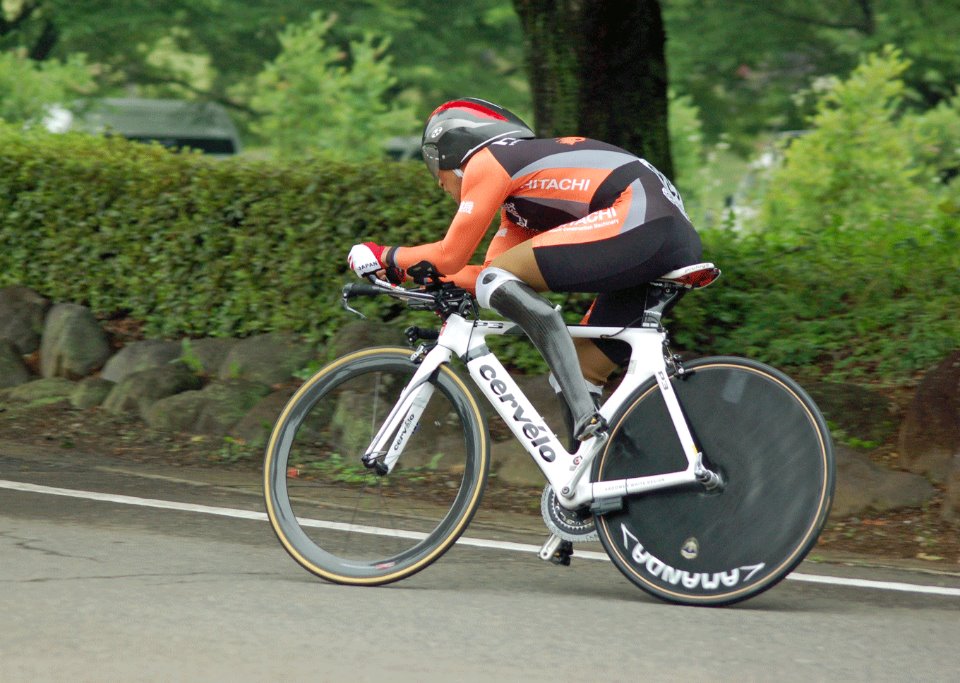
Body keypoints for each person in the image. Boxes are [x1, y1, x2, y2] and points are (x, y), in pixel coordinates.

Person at [348, 97, 702, 445]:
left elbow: (450, 256)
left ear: (452, 148)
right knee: (580, 369)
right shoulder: (521, 201)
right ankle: (601, 474)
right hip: (669, 236)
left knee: (498, 280)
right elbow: (489, 276)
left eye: (432, 164)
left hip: (640, 218)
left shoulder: (488, 161)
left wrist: (384, 255)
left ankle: (584, 413)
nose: (438, 182)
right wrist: (412, 275)